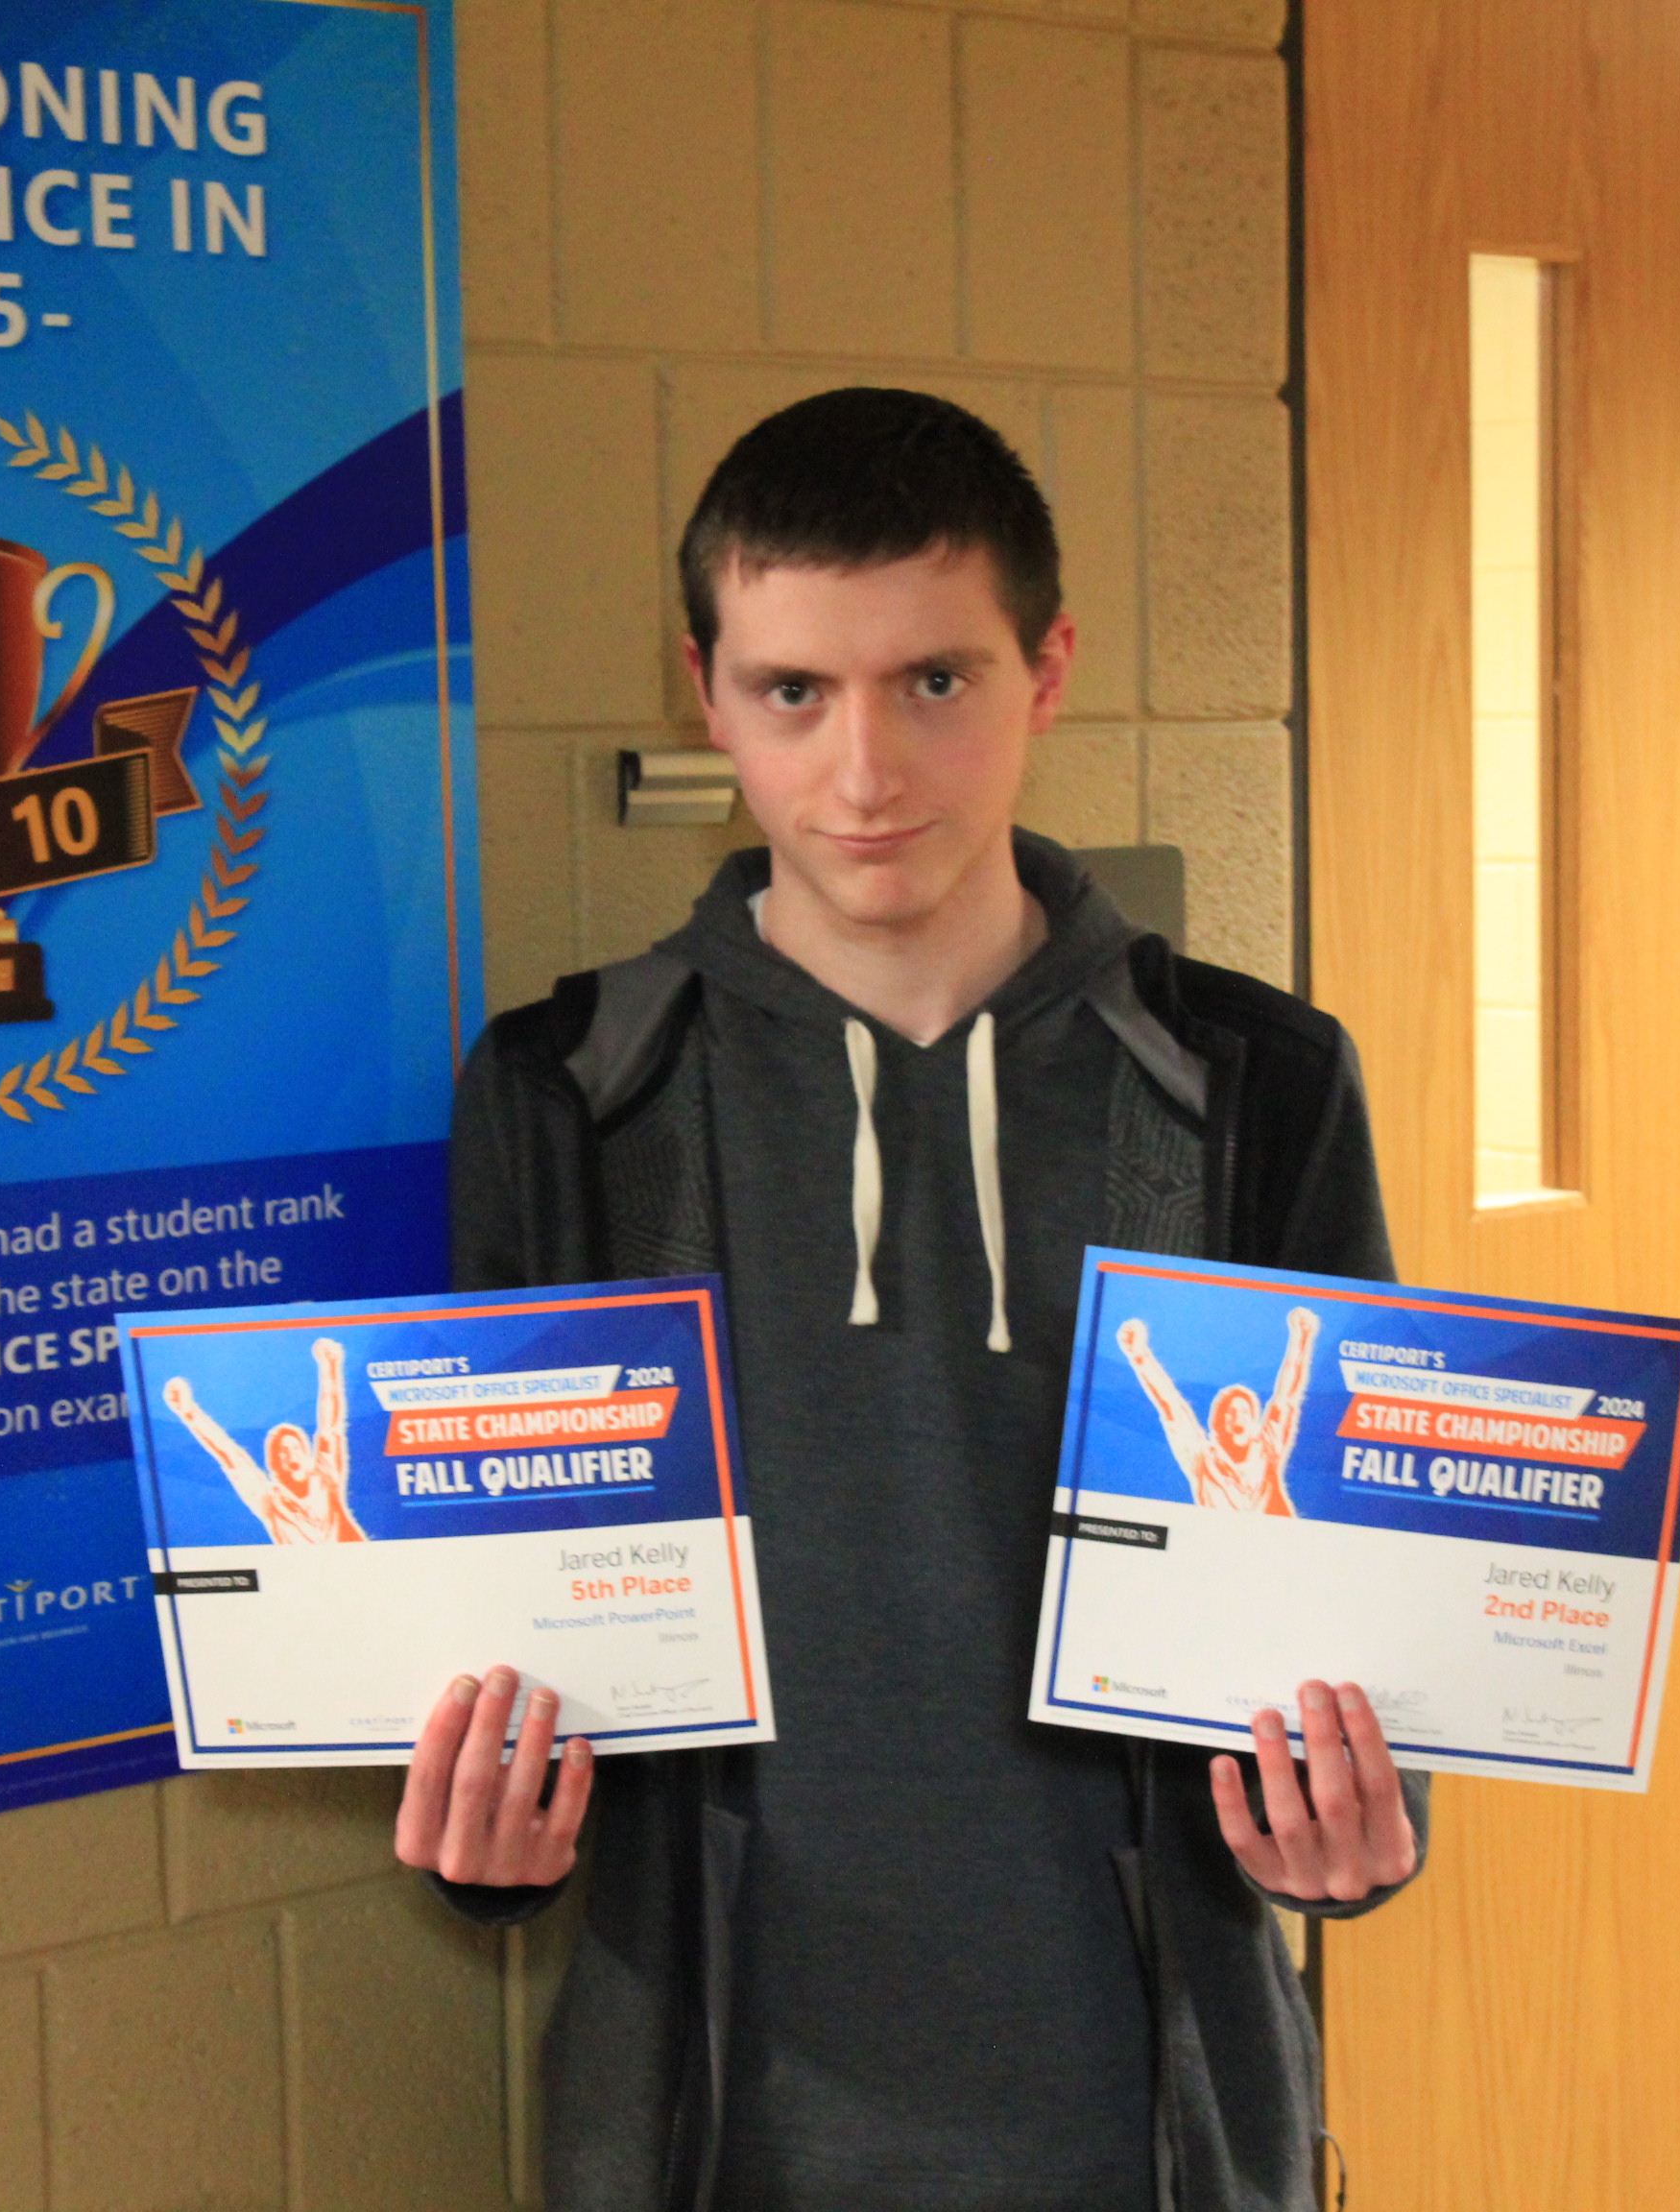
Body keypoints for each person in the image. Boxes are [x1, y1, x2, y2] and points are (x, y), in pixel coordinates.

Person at [396, 388, 1426, 2211]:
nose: (863, 770)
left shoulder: (1252, 1080)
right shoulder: (565, 1093)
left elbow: (1357, 1607)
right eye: (795, 690)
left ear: (1048, 669)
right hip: (706, 2120)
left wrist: (1355, 1818)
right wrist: (490, 1837)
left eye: (933, 681)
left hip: (1155, 2118)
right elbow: (498, 1619)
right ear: (702, 690)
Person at [1116, 1308, 1319, 1518]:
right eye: (1230, 1413)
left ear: (1254, 1422)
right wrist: (1139, 1356)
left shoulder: (1268, 1448)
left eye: (1245, 1411)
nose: (1238, 1417)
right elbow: (1171, 1406)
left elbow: (1287, 1395)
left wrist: (1301, 1339)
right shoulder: (1201, 1461)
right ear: (1219, 1425)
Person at [160, 1337, 367, 1544]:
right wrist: (188, 1412)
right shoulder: (269, 1503)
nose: (291, 1456)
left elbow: (330, 1424)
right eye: (283, 1453)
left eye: (296, 1448)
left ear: (308, 1455)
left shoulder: (326, 1479)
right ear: (275, 1466)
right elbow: (231, 1456)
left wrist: (330, 1366)